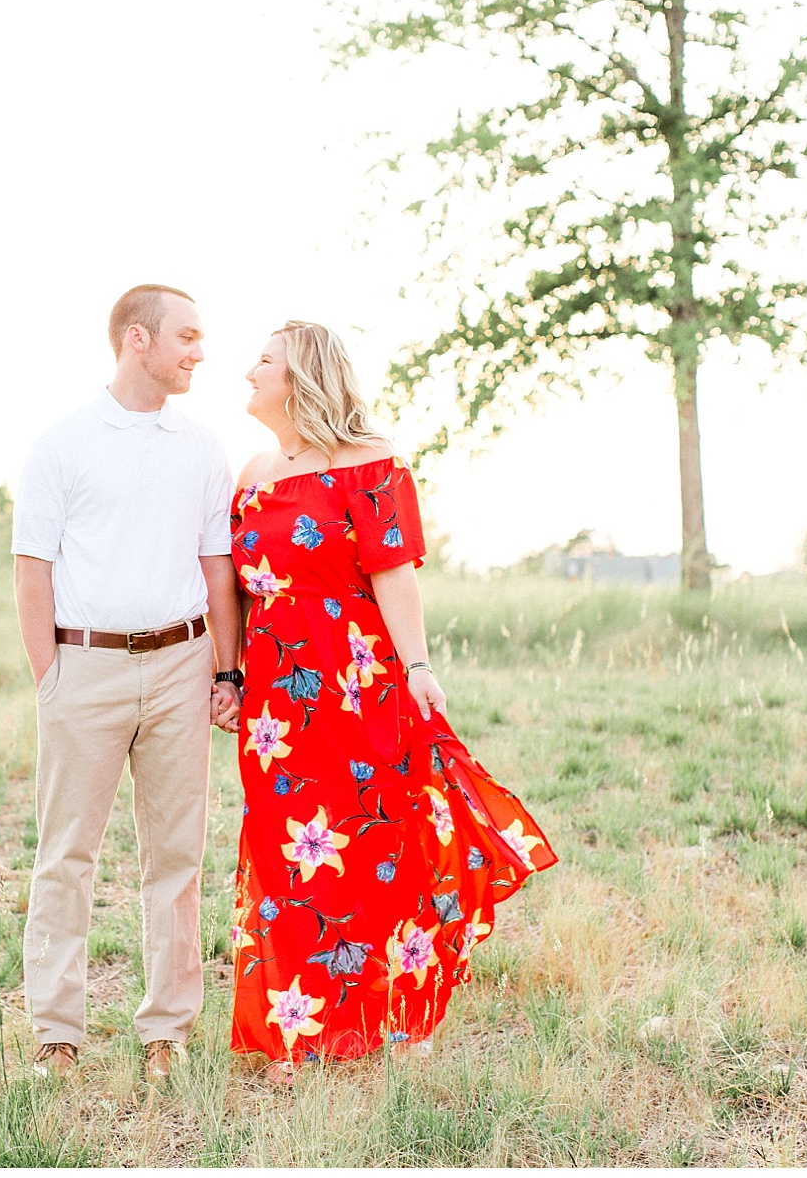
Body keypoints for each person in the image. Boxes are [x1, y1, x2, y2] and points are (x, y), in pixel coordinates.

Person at [224, 320, 557, 1085]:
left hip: (356, 682)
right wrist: (232, 677)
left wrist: (417, 665)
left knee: (376, 846)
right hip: (277, 701)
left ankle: (399, 1012)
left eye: (264, 360)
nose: (249, 371)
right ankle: (297, 1027)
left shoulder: (370, 462)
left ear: (301, 376)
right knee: (287, 858)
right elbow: (237, 589)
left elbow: (394, 573)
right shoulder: (249, 471)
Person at [10, 284, 245, 1084]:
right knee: (65, 854)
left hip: (181, 663)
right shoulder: (64, 444)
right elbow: (31, 569)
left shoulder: (203, 446)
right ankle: (57, 1034)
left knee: (176, 855)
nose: (200, 352)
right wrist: (53, 676)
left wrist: (225, 668)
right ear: (136, 339)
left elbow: (219, 570)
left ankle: (166, 1031)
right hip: (87, 666)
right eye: (187, 336)